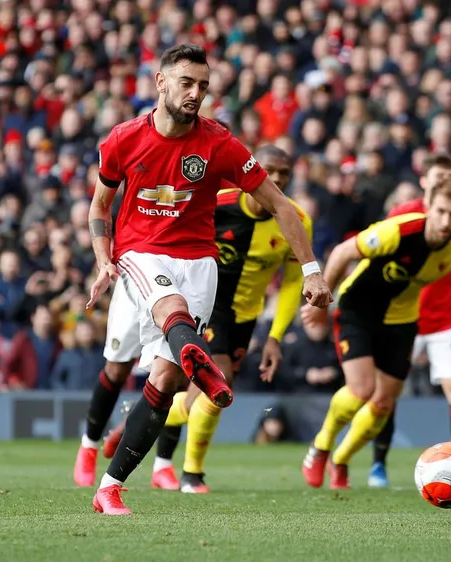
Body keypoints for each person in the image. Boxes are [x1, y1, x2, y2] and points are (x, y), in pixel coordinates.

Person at [86, 44, 331, 515]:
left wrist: (311, 270)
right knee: (168, 308)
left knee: (165, 381)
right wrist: (104, 259)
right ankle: (201, 360)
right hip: (140, 251)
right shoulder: (123, 138)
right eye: (186, 82)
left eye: (203, 85)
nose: (196, 93)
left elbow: (281, 205)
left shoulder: (219, 144)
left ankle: (109, 486)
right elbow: (100, 206)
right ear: (161, 83)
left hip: (199, 264)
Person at [102, 145, 312, 494]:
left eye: (284, 174)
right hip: (206, 304)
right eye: (269, 170)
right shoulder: (217, 203)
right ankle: (192, 475)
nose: (276, 179)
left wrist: (275, 335)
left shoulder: (295, 219)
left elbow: (292, 283)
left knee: (189, 393)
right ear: (253, 170)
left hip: (247, 317)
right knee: (219, 381)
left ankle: (134, 427)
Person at [300, 176, 451, 490]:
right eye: (441, 212)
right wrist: (319, 299)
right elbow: (342, 252)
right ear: (429, 208)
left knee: (382, 403)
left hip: (403, 321)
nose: (447, 221)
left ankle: (340, 460)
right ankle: (322, 445)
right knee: (361, 389)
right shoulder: (397, 231)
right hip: (359, 311)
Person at [366, 153, 451, 488]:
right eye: (438, 177)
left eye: (450, 177)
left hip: (444, 317)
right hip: (403, 316)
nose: (444, 182)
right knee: (387, 393)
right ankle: (378, 466)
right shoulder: (403, 214)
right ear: (424, 181)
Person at [72, 275, 144, 488]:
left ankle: (162, 464)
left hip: (183, 271)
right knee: (117, 369)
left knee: (173, 374)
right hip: (138, 273)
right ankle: (89, 445)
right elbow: (102, 238)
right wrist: (104, 261)